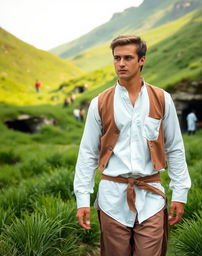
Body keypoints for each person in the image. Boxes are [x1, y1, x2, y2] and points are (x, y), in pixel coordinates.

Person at [74, 35, 191, 256]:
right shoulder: (98, 103)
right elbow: (88, 153)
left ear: (142, 60)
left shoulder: (162, 99)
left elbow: (175, 147)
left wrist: (180, 193)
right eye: (117, 58)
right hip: (111, 199)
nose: (121, 63)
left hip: (152, 197)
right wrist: (82, 199)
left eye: (128, 57)